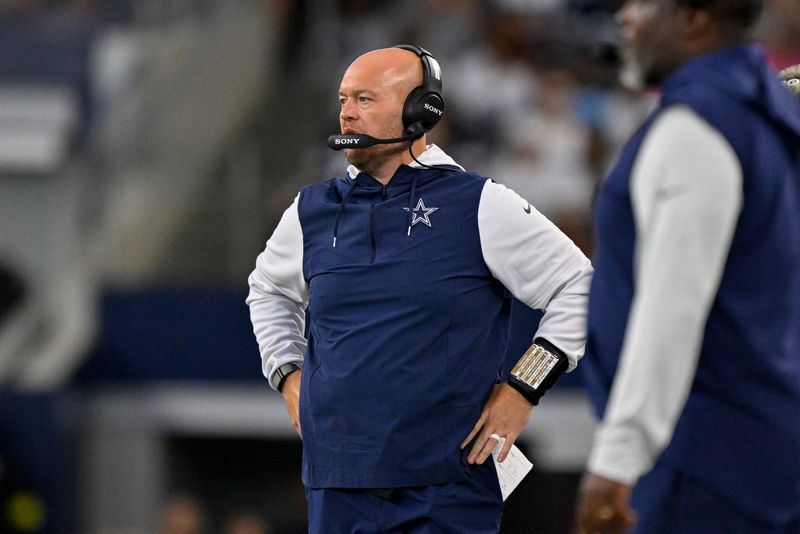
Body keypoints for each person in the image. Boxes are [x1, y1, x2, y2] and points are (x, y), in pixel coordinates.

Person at [247, 44, 593, 532]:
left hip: (445, 487)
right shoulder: (310, 210)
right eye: (344, 99)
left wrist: (524, 388)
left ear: (420, 110)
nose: (346, 113)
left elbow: (579, 285)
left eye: (365, 99)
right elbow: (267, 291)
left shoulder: (479, 204)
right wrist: (286, 373)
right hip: (337, 481)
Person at [576, 1, 800, 533]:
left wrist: (617, 458)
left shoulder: (699, 126)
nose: (625, 17)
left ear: (695, 18)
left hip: (701, 458)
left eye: (641, 3)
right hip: (763, 443)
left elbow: (672, 310)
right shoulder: (766, 106)